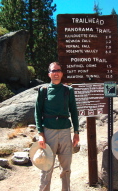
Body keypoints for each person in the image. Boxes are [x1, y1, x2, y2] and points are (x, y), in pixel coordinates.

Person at [35, 62, 79, 191]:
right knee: (46, 166)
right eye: (53, 71)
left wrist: (76, 132)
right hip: (49, 132)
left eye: (58, 70)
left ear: (62, 73)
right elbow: (37, 112)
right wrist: (40, 134)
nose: (56, 73)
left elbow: (74, 111)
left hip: (65, 132)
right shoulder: (43, 91)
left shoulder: (68, 90)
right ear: (49, 74)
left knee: (66, 168)